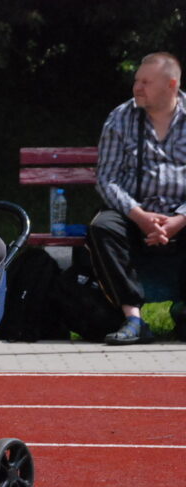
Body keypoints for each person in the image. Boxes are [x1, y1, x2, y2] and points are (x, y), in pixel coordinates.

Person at [89, 51, 186, 344]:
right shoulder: (120, 117)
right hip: (133, 214)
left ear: (171, 85)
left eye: (146, 82)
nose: (137, 88)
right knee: (102, 227)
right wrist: (139, 216)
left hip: (182, 215)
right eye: (136, 81)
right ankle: (133, 318)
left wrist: (180, 218)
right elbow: (107, 179)